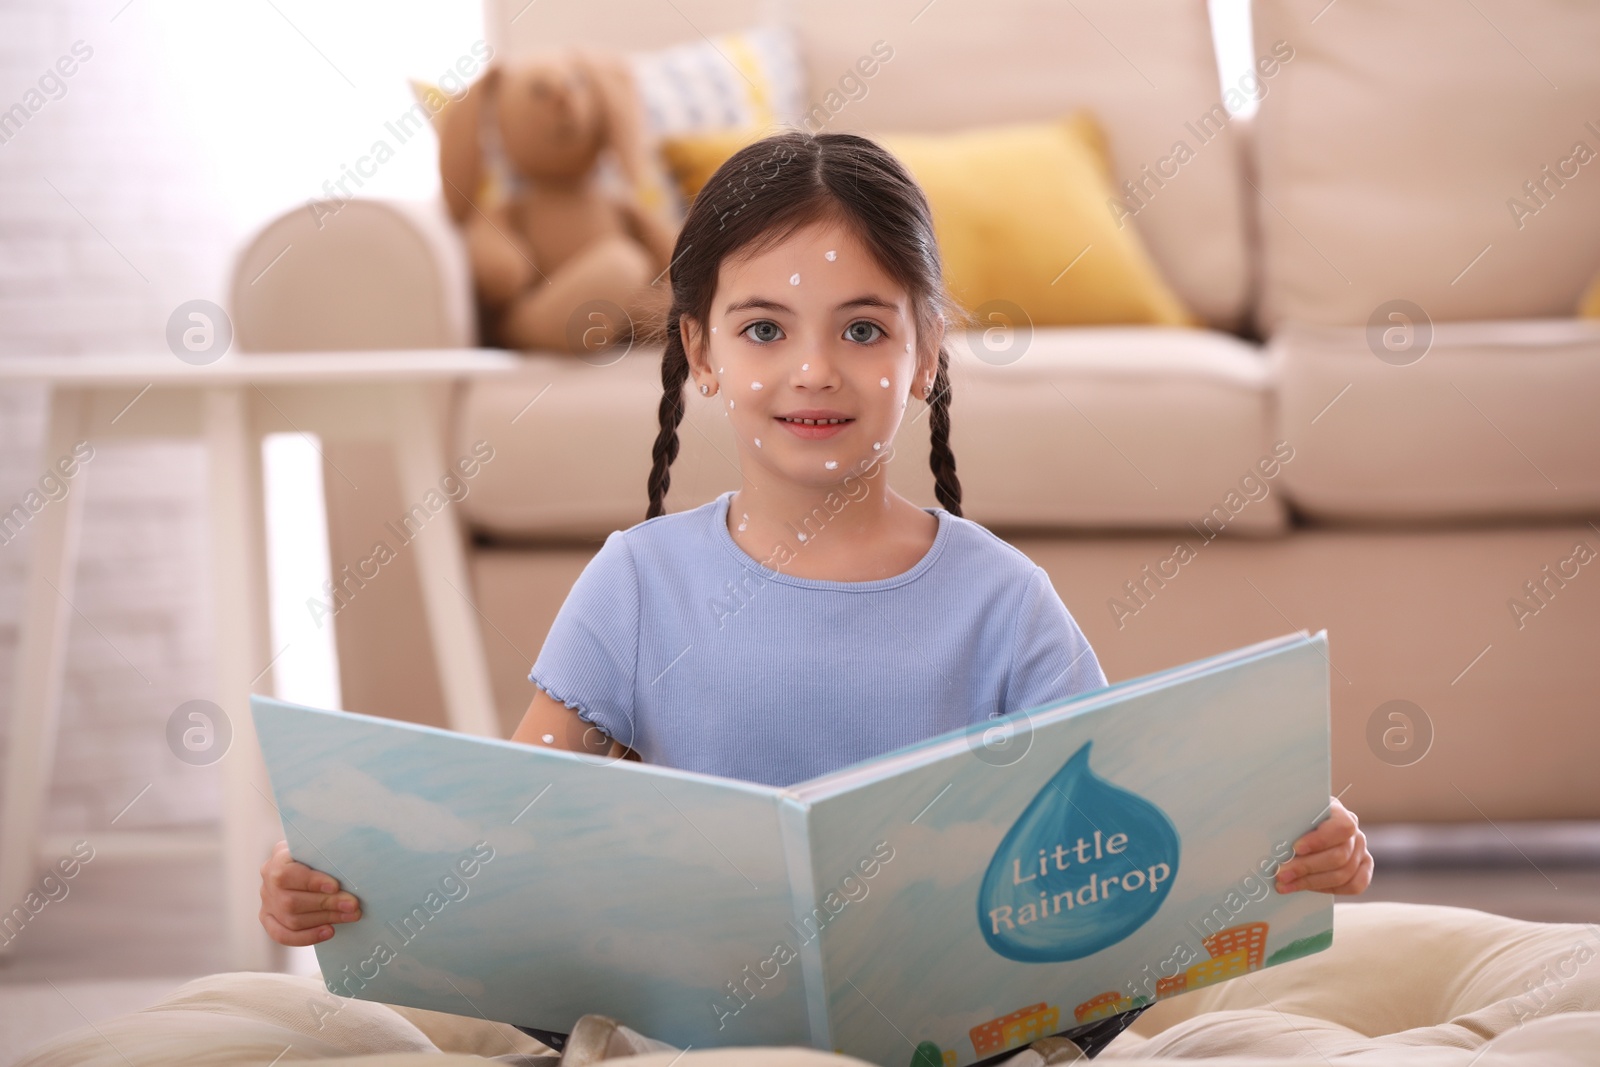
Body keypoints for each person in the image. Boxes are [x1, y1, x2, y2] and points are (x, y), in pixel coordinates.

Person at [259, 129, 1373, 1061]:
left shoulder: (1004, 602)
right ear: (698, 351)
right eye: (762, 329)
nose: (813, 370)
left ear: (926, 353)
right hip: (686, 1036)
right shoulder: (636, 583)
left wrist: (1285, 846)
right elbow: (504, 836)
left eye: (862, 327)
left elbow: (1120, 859)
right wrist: (338, 879)